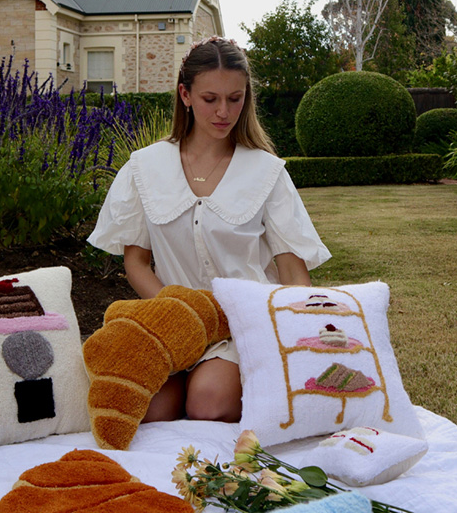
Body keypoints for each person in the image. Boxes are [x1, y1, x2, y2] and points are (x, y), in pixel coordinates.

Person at [87, 36, 331, 424]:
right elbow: (136, 263)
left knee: (207, 403)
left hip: (240, 329)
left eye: (235, 99)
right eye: (210, 99)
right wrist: (181, 315)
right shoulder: (143, 167)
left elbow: (292, 271)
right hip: (170, 323)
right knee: (147, 410)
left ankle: (245, 383)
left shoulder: (267, 172)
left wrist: (296, 334)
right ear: (185, 94)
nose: (224, 111)